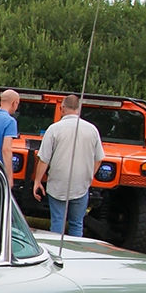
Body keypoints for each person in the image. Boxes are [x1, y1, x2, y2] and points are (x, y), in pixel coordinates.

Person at [33, 93, 104, 237]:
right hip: (81, 184)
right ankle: (74, 252)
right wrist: (90, 177)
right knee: (77, 223)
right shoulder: (92, 130)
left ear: (62, 108)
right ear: (78, 109)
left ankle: (56, 254)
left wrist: (37, 181)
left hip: (57, 183)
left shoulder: (54, 129)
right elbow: (99, 158)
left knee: (57, 221)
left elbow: (44, 159)